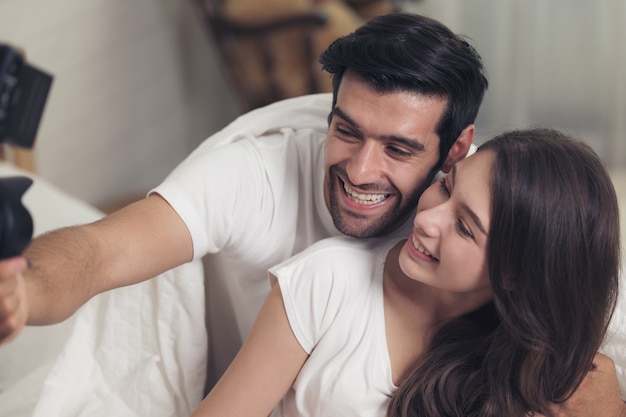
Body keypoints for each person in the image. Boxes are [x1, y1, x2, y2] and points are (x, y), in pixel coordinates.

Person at [0, 12, 622, 416]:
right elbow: (104, 251)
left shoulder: (490, 207)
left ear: (455, 149)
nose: (359, 171)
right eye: (346, 131)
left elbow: (571, 298)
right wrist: (24, 291)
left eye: (400, 150)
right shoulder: (270, 195)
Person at [190, 128, 624, 417]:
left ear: (513, 274)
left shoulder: (546, 374)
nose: (428, 219)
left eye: (464, 228)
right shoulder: (327, 281)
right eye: (446, 187)